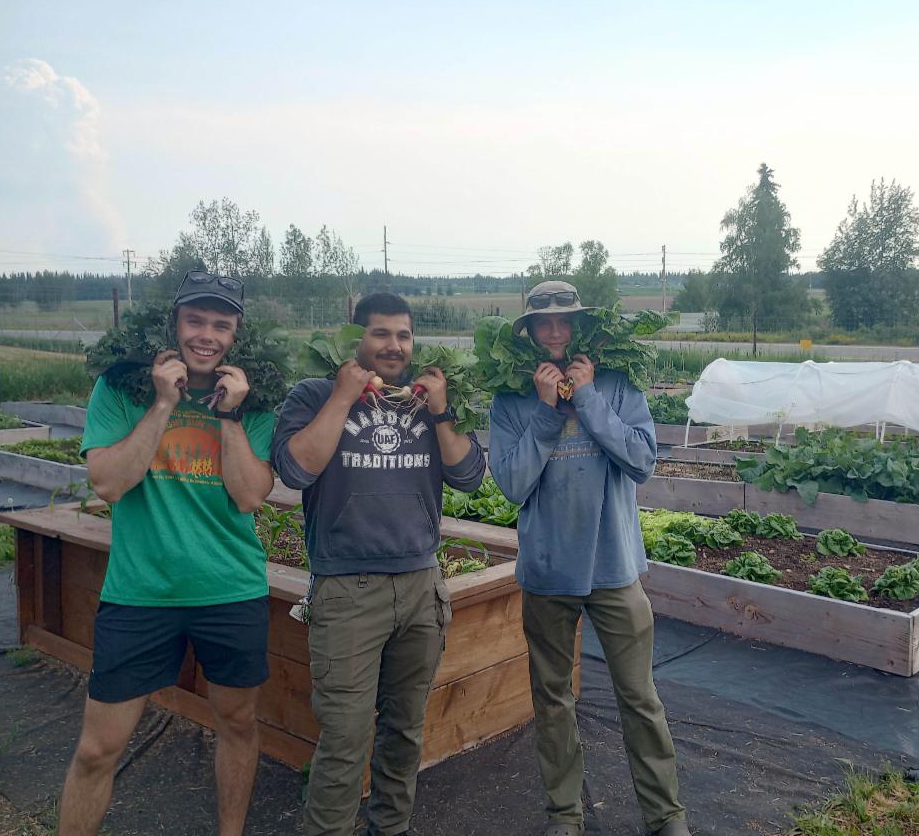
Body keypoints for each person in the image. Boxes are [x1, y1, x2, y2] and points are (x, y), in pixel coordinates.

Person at [59, 271, 276, 836]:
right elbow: (108, 483)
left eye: (221, 324)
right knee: (96, 749)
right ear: (174, 324)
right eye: (195, 321)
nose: (207, 335)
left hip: (230, 590)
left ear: (237, 334)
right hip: (139, 591)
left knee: (237, 723)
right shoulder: (121, 389)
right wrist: (162, 405)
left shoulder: (255, 400)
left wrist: (228, 415)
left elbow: (250, 494)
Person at [272, 291, 485, 836]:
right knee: (343, 741)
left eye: (404, 335)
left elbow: (468, 477)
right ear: (356, 338)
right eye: (381, 333)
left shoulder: (427, 400)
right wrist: (343, 397)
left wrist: (441, 409)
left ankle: (391, 828)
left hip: (421, 585)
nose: (394, 345)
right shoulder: (315, 395)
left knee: (404, 731)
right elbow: (295, 471)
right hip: (347, 591)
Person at [489, 281, 691, 836]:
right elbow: (511, 482)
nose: (554, 330)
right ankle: (565, 815)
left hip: (614, 568)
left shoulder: (618, 386)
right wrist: (549, 411)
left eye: (564, 320)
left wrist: (588, 398)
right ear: (529, 332)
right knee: (553, 701)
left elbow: (642, 461)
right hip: (548, 572)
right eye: (543, 323)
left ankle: (666, 816)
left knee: (639, 696)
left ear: (579, 326)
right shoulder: (510, 398)